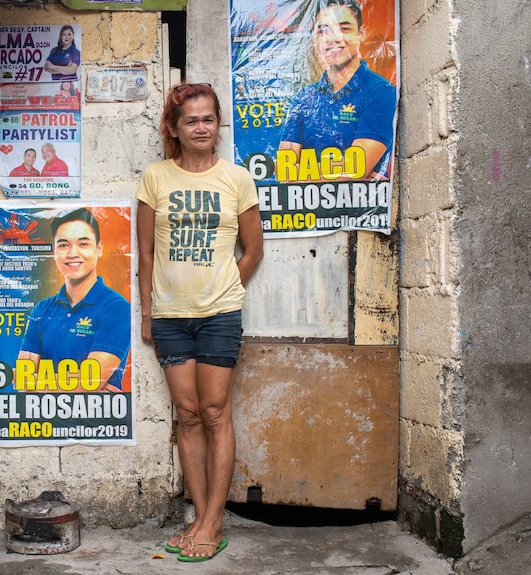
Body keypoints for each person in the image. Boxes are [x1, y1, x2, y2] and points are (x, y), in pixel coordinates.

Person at [136, 83, 263, 562]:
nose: (202, 127)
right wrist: (149, 311)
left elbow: (253, 251)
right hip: (170, 316)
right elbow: (146, 252)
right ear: (175, 128)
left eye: (209, 118)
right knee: (187, 416)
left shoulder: (236, 179)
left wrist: (228, 287)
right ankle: (199, 516)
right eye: (191, 120)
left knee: (214, 413)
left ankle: (212, 522)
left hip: (219, 316)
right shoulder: (155, 178)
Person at [278, 0, 396, 180]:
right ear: (315, 38)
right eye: (323, 30)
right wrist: (350, 170)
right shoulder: (304, 97)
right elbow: (283, 170)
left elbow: (358, 166)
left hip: (358, 207)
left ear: (361, 33)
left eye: (344, 28)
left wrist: (302, 171)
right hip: (309, 208)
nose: (334, 38)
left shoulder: (380, 91)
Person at [17, 208, 130, 393]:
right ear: (54, 251)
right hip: (43, 420)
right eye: (63, 245)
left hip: (94, 421)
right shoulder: (42, 309)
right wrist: (82, 383)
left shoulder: (117, 308)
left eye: (83, 244)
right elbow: (22, 380)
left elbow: (90, 381)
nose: (73, 253)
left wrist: (39, 381)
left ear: (99, 248)